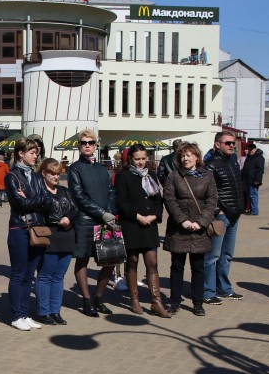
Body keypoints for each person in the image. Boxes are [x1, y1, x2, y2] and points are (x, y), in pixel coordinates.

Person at [114, 144, 170, 318]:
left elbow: (157, 200)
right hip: (132, 224)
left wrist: (155, 216)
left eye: (143, 158)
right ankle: (134, 300)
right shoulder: (123, 175)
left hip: (149, 225)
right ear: (131, 159)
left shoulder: (150, 174)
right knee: (132, 261)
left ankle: (156, 301)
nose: (140, 162)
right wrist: (138, 217)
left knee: (152, 262)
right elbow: (121, 203)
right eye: (137, 159)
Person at [163, 142, 217, 316]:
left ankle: (198, 303)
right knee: (177, 266)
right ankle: (175, 301)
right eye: (182, 156)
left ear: (196, 157)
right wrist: (183, 220)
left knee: (198, 267)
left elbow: (212, 201)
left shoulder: (207, 176)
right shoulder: (174, 176)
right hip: (178, 229)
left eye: (188, 155)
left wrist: (201, 222)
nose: (185, 159)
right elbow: (169, 200)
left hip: (199, 229)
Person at [4, 139, 54, 331]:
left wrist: (33, 199)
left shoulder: (38, 177)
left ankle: (25, 314)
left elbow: (48, 201)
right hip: (19, 228)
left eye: (37, 152)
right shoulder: (12, 176)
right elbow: (19, 204)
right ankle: (16, 315)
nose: (36, 156)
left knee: (29, 274)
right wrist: (37, 200)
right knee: (18, 273)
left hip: (37, 228)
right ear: (21, 153)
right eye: (32, 152)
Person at [67, 129, 117, 317]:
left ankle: (98, 298)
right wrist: (102, 213)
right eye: (83, 143)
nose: (87, 145)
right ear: (79, 146)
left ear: (96, 145)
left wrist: (109, 212)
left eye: (90, 142)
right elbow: (79, 197)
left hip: (106, 220)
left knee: (111, 260)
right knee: (83, 259)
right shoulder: (74, 168)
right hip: (85, 220)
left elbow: (111, 191)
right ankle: (87, 300)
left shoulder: (102, 169)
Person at [203, 131, 245, 305]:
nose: (232, 145)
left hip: (235, 214)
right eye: (227, 143)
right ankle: (208, 291)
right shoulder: (210, 164)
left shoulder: (233, 160)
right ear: (217, 145)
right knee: (212, 256)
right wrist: (217, 210)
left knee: (227, 255)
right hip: (220, 216)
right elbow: (206, 191)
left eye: (232, 143)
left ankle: (225, 289)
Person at [37, 158, 78, 325]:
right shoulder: (39, 191)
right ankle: (44, 312)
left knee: (59, 277)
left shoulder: (64, 191)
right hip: (48, 236)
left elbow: (75, 208)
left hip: (66, 237)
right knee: (45, 276)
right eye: (52, 173)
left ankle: (56, 311)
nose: (56, 177)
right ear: (44, 173)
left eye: (58, 173)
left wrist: (69, 217)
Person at [242, 141, 265, 216]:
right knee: (249, 195)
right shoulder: (249, 157)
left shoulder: (259, 158)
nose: (250, 151)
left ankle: (255, 211)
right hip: (247, 180)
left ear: (255, 149)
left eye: (251, 150)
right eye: (249, 150)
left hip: (254, 180)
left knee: (253, 195)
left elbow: (260, 170)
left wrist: (257, 180)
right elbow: (245, 169)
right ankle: (251, 209)